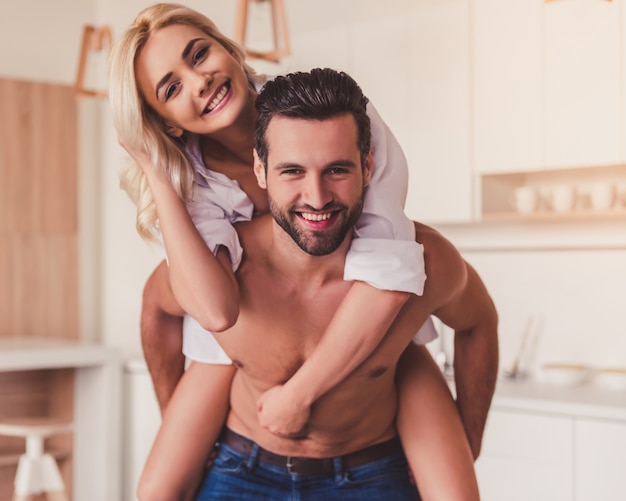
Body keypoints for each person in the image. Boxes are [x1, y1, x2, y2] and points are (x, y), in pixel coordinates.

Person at [109, 1, 497, 469]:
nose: (199, 80)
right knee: (158, 485)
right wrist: (154, 171)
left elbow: (385, 268)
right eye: (171, 88)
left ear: (229, 49)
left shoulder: (333, 113)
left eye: (199, 55)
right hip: (251, 339)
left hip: (361, 318)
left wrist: (298, 395)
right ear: (167, 120)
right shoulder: (192, 183)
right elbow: (212, 309)